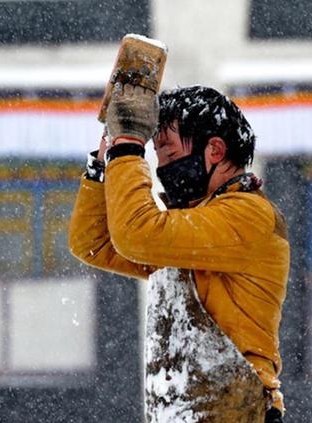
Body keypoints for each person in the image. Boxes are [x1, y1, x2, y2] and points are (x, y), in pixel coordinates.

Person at [69, 83, 289, 422]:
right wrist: (104, 165)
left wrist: (127, 149)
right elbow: (95, 243)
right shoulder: (193, 230)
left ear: (215, 150)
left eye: (170, 155)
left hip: (235, 409)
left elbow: (135, 235)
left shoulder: (250, 215)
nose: (163, 170)